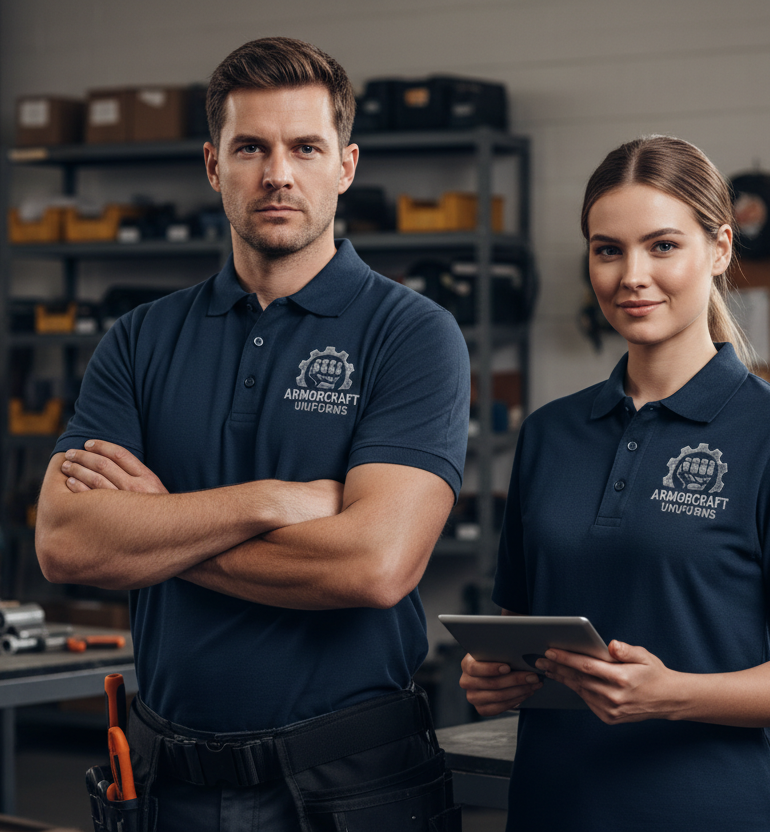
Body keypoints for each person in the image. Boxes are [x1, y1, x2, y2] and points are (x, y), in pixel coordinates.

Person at [34, 37, 468, 832]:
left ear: (345, 165)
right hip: (170, 784)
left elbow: (375, 565)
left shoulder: (412, 335)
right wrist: (274, 501)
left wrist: (158, 526)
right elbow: (68, 544)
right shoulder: (139, 340)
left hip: (352, 785)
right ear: (212, 165)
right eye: (251, 148)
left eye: (305, 147)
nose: (278, 173)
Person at [459, 135, 770, 831]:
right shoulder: (551, 434)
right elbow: (522, 626)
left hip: (712, 810)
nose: (631, 276)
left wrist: (671, 693)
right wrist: (494, 675)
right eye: (607, 249)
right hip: (555, 808)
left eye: (663, 246)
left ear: (720, 249)